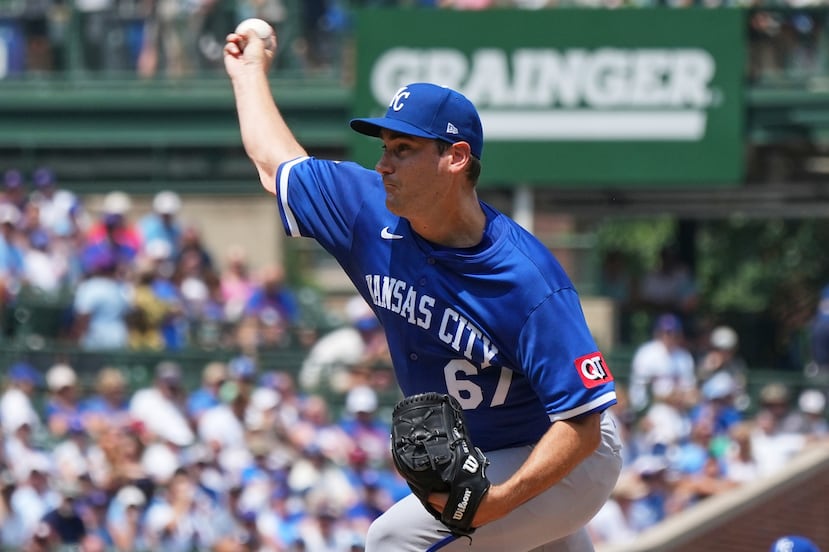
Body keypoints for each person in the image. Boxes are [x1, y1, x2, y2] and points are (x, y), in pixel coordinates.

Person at [224, 30, 622, 551]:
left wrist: (494, 501)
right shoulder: (366, 210)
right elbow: (274, 162)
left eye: (403, 149)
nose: (383, 164)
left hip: (565, 456)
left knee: (394, 540)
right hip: (495, 455)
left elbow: (583, 425)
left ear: (455, 158)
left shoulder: (525, 279)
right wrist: (248, 71)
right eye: (385, 147)